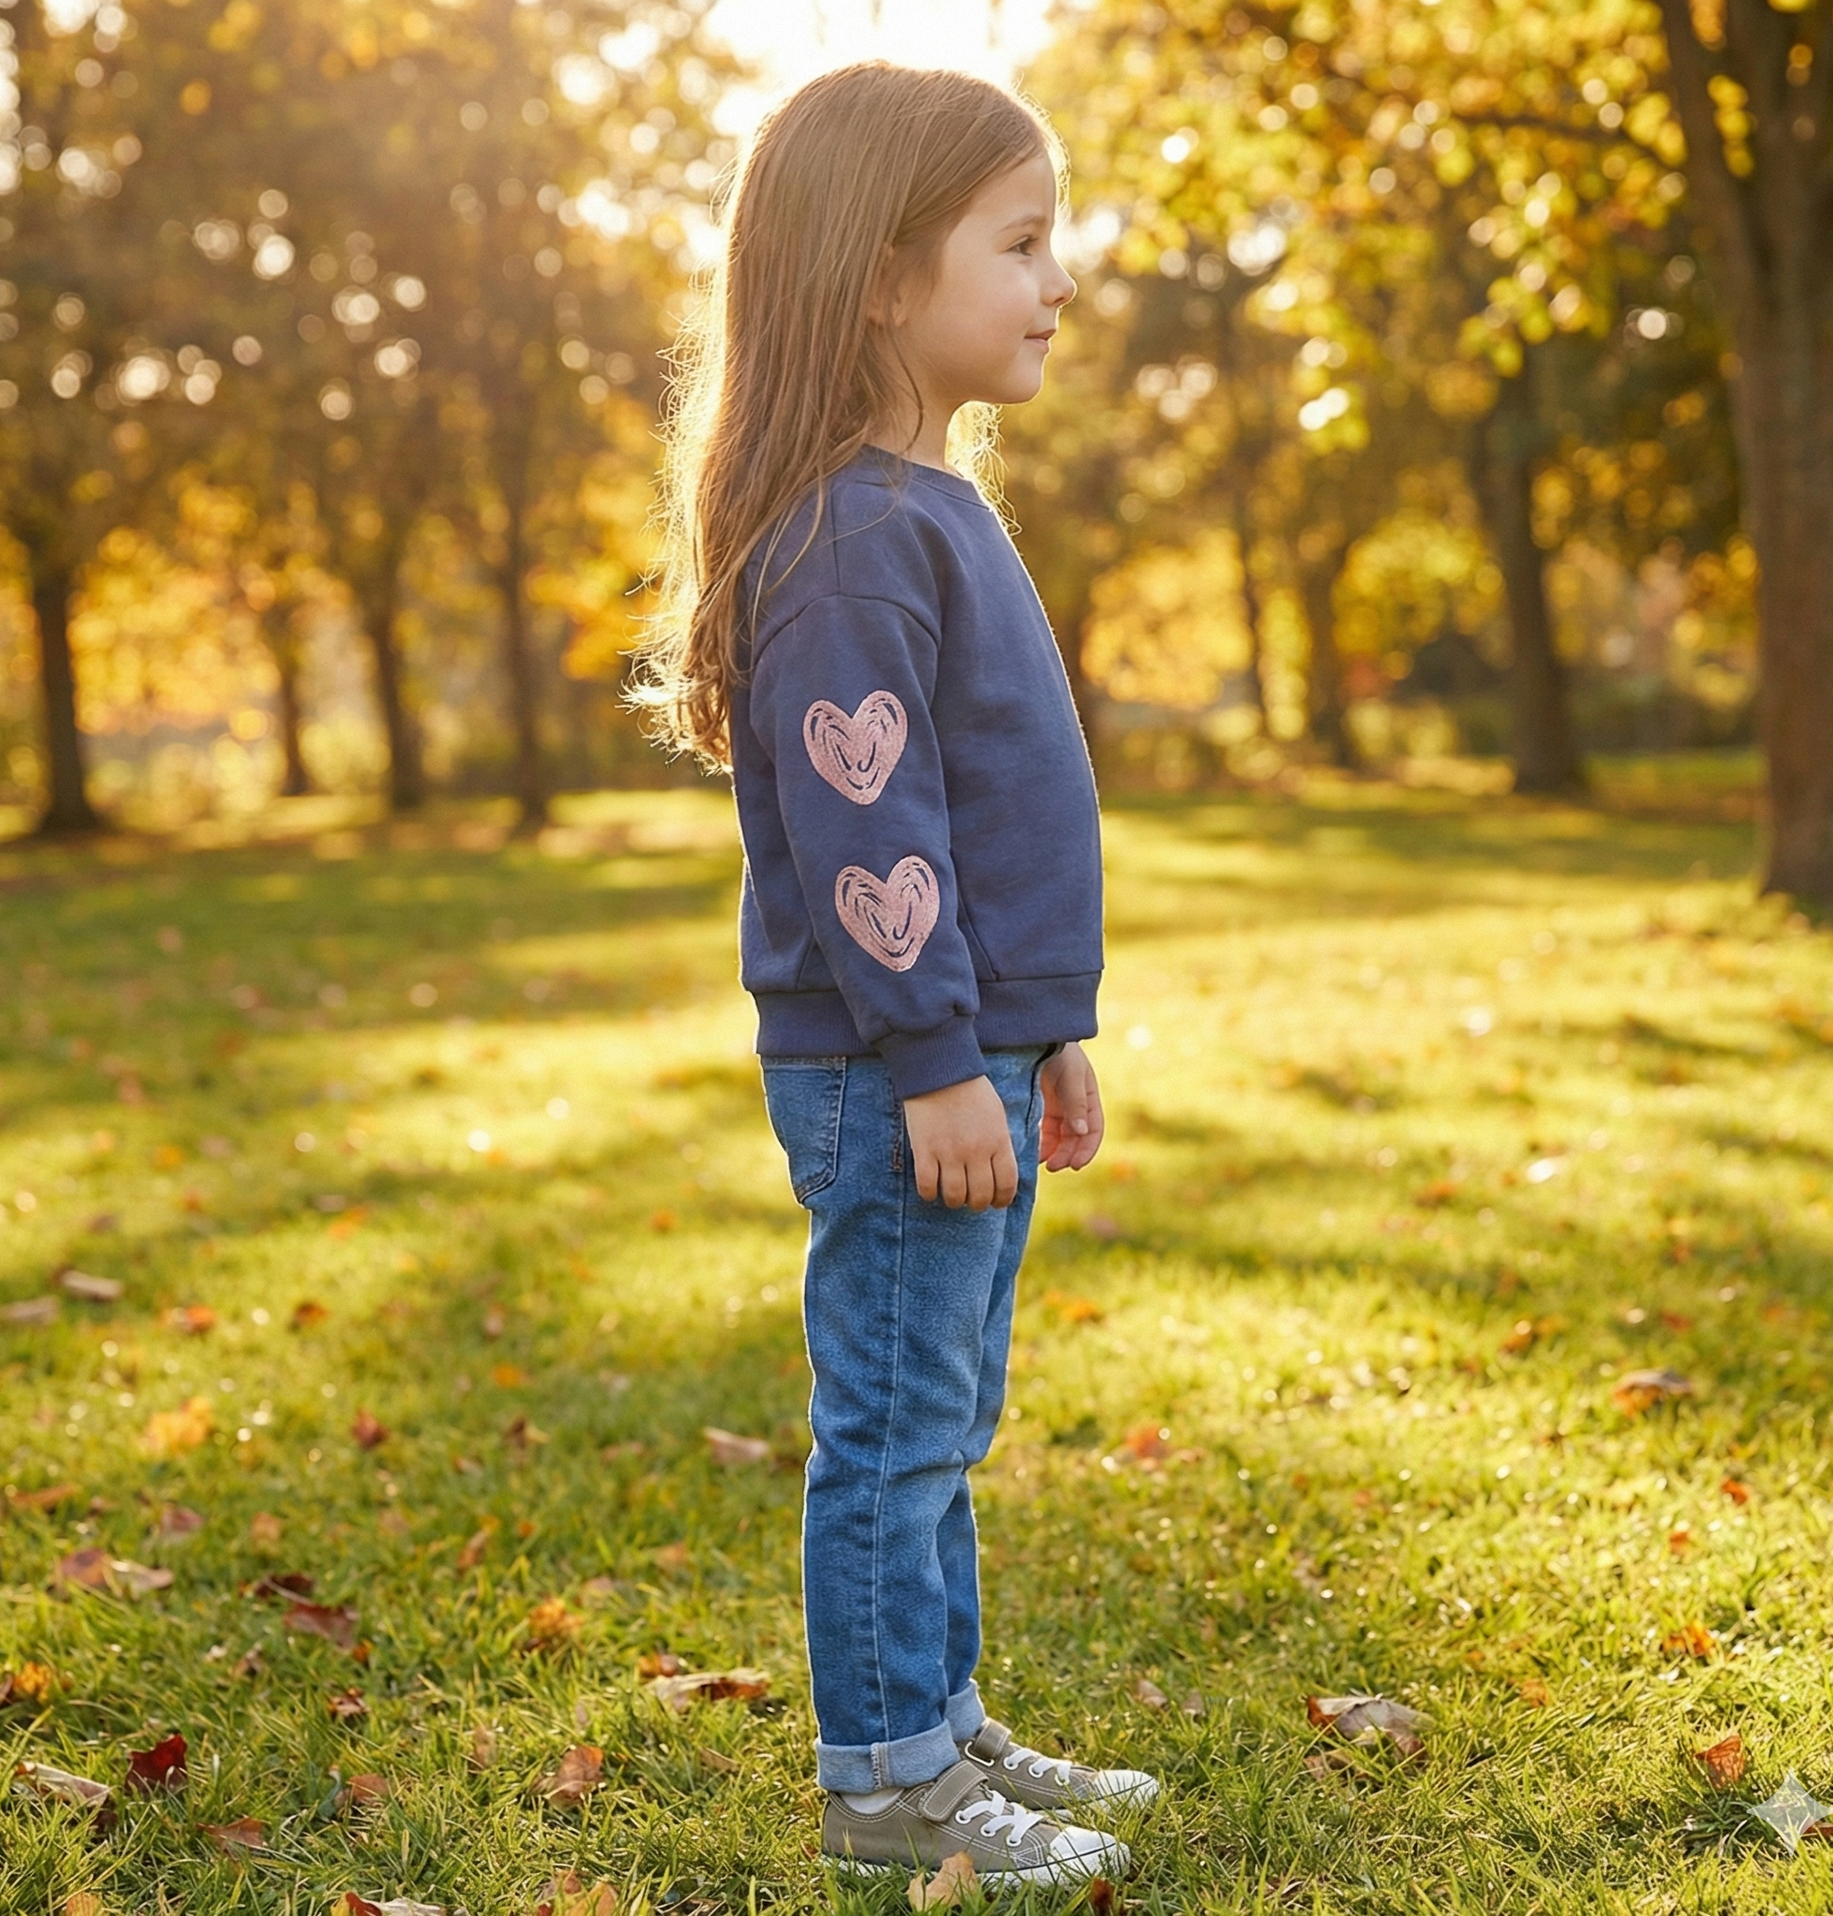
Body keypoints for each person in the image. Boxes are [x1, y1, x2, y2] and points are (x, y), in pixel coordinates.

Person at [636, 61, 1157, 1886]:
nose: (1060, 283)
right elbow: (876, 847)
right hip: (893, 1065)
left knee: (943, 1408)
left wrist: (1041, 1036)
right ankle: (885, 1784)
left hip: (960, 1050)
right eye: (1020, 244)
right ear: (878, 274)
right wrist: (943, 1054)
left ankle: (935, 1724)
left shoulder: (921, 507)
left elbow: (980, 810)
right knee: (892, 1423)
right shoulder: (853, 541)